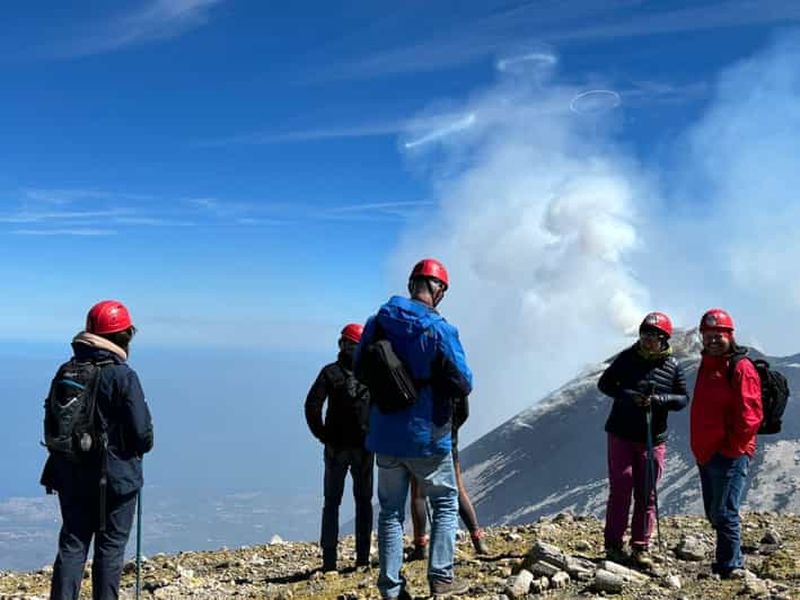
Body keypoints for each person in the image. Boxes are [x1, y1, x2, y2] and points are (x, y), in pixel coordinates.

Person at [355, 258, 473, 600]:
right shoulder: (440, 329)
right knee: (445, 503)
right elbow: (464, 382)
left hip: (385, 436)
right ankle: (440, 579)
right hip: (427, 436)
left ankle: (391, 589)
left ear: (411, 284)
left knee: (390, 512)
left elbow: (361, 368)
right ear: (438, 290)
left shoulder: (377, 322)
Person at [41, 300, 154, 600]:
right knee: (110, 549)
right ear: (122, 336)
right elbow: (142, 436)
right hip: (115, 480)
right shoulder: (122, 376)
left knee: (73, 544)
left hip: (69, 474)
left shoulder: (68, 369)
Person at [597, 311, 688, 568]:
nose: (648, 340)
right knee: (621, 488)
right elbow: (604, 384)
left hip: (652, 438)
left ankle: (641, 546)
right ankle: (613, 544)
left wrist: (658, 400)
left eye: (654, 336)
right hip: (621, 434)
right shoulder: (627, 358)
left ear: (664, 339)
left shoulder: (673, 366)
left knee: (646, 493)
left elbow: (682, 399)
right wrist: (629, 396)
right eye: (645, 334)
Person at [691, 308, 762, 579]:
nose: (712, 340)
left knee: (725, 511)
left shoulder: (741, 368)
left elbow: (750, 414)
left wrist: (733, 447)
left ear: (730, 336)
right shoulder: (706, 365)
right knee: (714, 512)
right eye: (708, 336)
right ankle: (725, 561)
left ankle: (732, 565)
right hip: (706, 452)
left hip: (730, 452)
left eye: (718, 335)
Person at [304, 323, 373, 572]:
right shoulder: (370, 374)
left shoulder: (330, 372)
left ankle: (329, 562)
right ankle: (362, 560)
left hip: (336, 448)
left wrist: (323, 435)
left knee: (332, 502)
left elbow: (312, 406)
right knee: (363, 502)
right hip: (364, 448)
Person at [409, 396, 488, 560]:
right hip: (447, 439)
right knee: (458, 489)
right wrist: (451, 429)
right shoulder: (447, 372)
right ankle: (478, 539)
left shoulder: (411, 371)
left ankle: (420, 546)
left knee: (418, 495)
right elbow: (463, 410)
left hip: (419, 442)